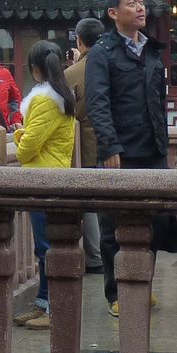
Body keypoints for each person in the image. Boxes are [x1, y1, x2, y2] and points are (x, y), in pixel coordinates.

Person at [86, 0, 177, 318]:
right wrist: (110, 145)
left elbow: (160, 100)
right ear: (113, 13)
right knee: (114, 227)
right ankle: (116, 293)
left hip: (152, 149)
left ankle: (143, 285)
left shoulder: (153, 50)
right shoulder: (102, 52)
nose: (140, 8)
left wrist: (163, 143)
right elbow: (98, 103)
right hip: (120, 151)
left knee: (156, 220)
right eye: (131, 4)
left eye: (141, 3)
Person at [12, 41, 78, 331]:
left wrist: (18, 135)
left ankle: (52, 308)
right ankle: (43, 303)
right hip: (57, 174)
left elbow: (27, 149)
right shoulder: (62, 96)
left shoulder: (44, 101)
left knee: (46, 249)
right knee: (46, 248)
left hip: (42, 178)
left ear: (34, 67)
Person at [63, 17, 107, 273]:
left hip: (88, 144)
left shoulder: (72, 73)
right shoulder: (116, 63)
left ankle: (96, 256)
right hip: (120, 145)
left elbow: (70, 111)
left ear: (79, 40)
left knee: (90, 202)